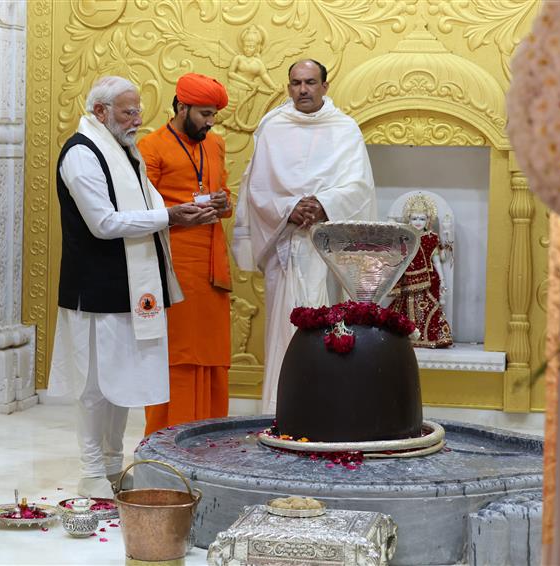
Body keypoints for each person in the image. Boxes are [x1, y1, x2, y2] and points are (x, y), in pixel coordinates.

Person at [47, 76, 216, 498]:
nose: (137, 119)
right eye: (128, 111)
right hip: (94, 290)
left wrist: (185, 213)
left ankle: (110, 464)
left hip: (127, 289)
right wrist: (169, 219)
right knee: (92, 387)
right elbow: (103, 223)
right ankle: (89, 471)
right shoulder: (81, 154)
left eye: (139, 110)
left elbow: (148, 203)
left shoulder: (124, 151)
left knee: (120, 382)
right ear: (100, 112)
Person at [232, 59, 377, 413]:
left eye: (310, 82)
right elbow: (257, 188)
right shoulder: (272, 127)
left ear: (325, 86)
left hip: (329, 252)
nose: (303, 90)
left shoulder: (344, 129)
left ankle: (328, 410)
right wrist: (289, 209)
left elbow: (359, 188)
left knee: (331, 326)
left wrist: (323, 204)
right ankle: (280, 409)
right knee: (284, 330)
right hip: (287, 245)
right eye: (296, 83)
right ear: (287, 87)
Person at [138, 73, 232, 436]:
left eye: (213, 116)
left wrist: (224, 203)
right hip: (172, 264)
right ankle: (168, 442)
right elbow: (142, 209)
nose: (209, 122)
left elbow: (223, 194)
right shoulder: (152, 147)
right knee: (176, 356)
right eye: (204, 114)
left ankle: (210, 442)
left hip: (211, 266)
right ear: (182, 106)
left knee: (212, 357)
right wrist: (178, 213)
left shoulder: (216, 144)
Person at [388, 194, 453, 348]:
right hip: (406, 279)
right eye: (414, 218)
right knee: (404, 306)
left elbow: (437, 260)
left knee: (428, 307)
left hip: (429, 279)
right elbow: (397, 260)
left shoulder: (431, 238)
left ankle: (427, 338)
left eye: (422, 219)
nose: (418, 222)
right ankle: (405, 337)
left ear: (428, 221)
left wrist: (443, 280)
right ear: (408, 220)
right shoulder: (404, 237)